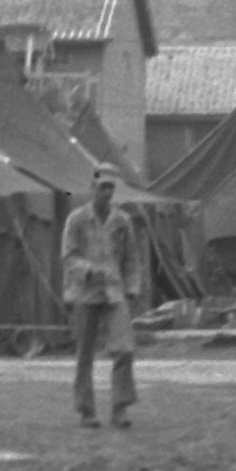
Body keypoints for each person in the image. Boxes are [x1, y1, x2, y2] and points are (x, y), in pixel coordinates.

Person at [59, 165, 143, 430]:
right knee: (85, 353)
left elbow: (132, 258)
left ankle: (120, 408)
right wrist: (88, 270)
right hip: (85, 293)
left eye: (111, 187)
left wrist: (132, 287)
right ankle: (86, 411)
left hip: (115, 291)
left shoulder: (122, 221)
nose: (107, 192)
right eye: (103, 187)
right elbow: (68, 257)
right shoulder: (76, 219)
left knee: (124, 348)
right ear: (92, 188)